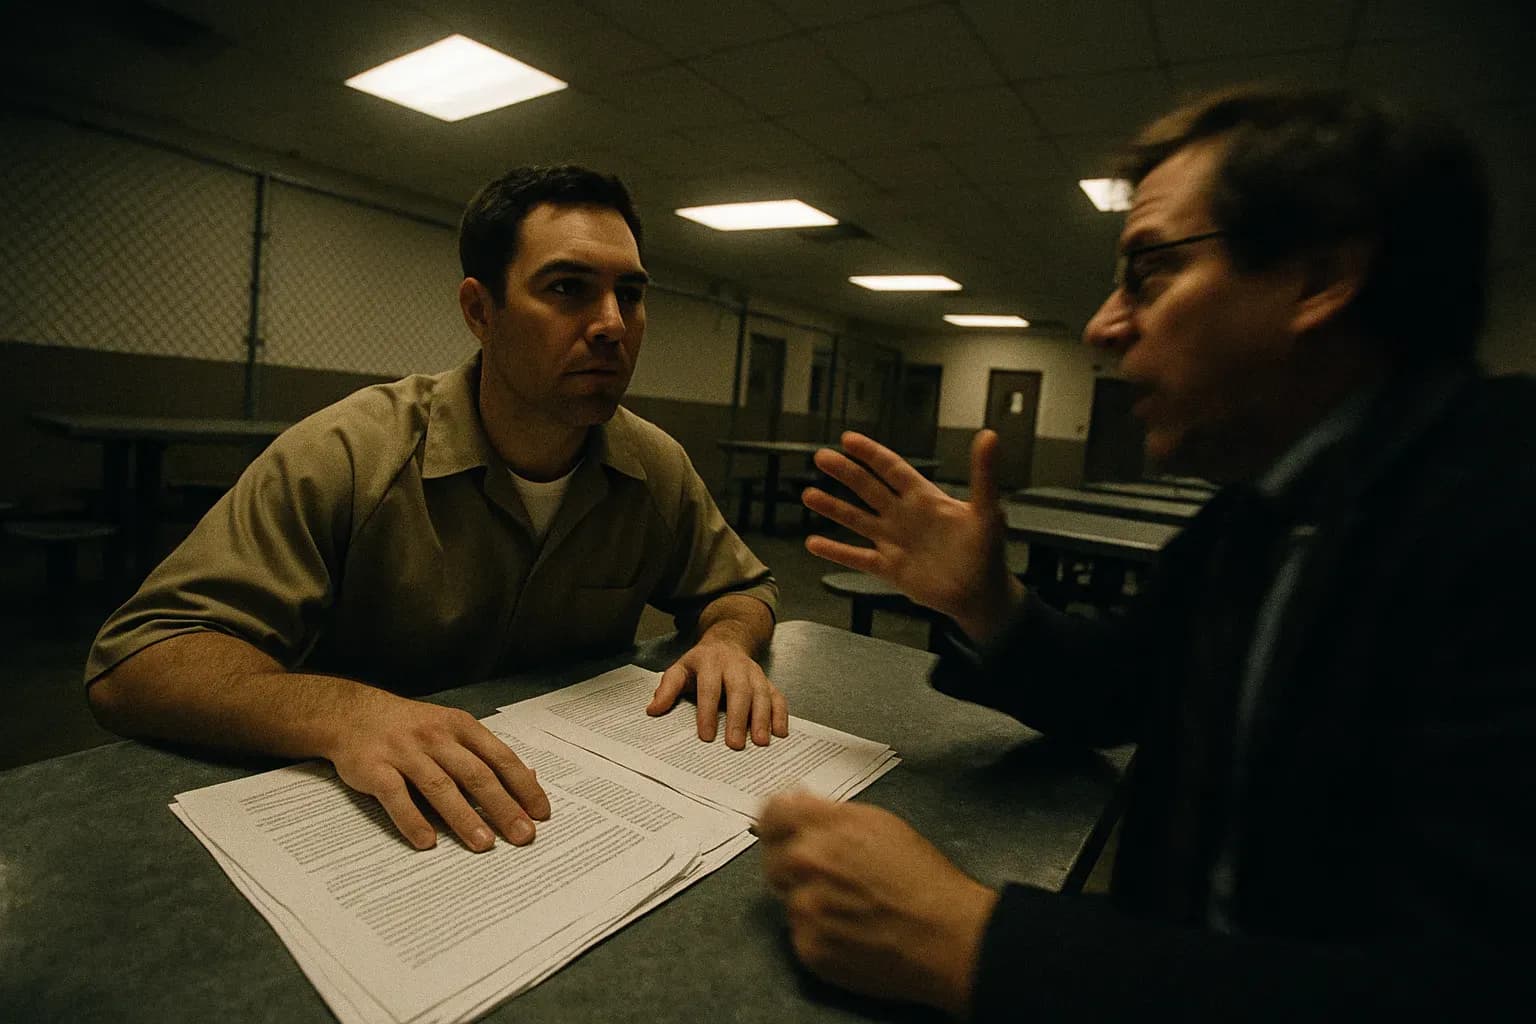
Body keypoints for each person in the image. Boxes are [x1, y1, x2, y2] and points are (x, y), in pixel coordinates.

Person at [758, 85, 1536, 1019]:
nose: (1102, 325)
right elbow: (1118, 688)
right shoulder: (1249, 521)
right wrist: (987, 603)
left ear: (1322, 276)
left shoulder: (1501, 511)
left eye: (1149, 272)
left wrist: (972, 941)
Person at [87, 165, 786, 856]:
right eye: (568, 288)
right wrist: (344, 711)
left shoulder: (653, 466)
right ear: (480, 311)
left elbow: (741, 587)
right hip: (378, 825)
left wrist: (725, 640)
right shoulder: (351, 452)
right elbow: (139, 661)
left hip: (573, 817)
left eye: (629, 295)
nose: (611, 325)